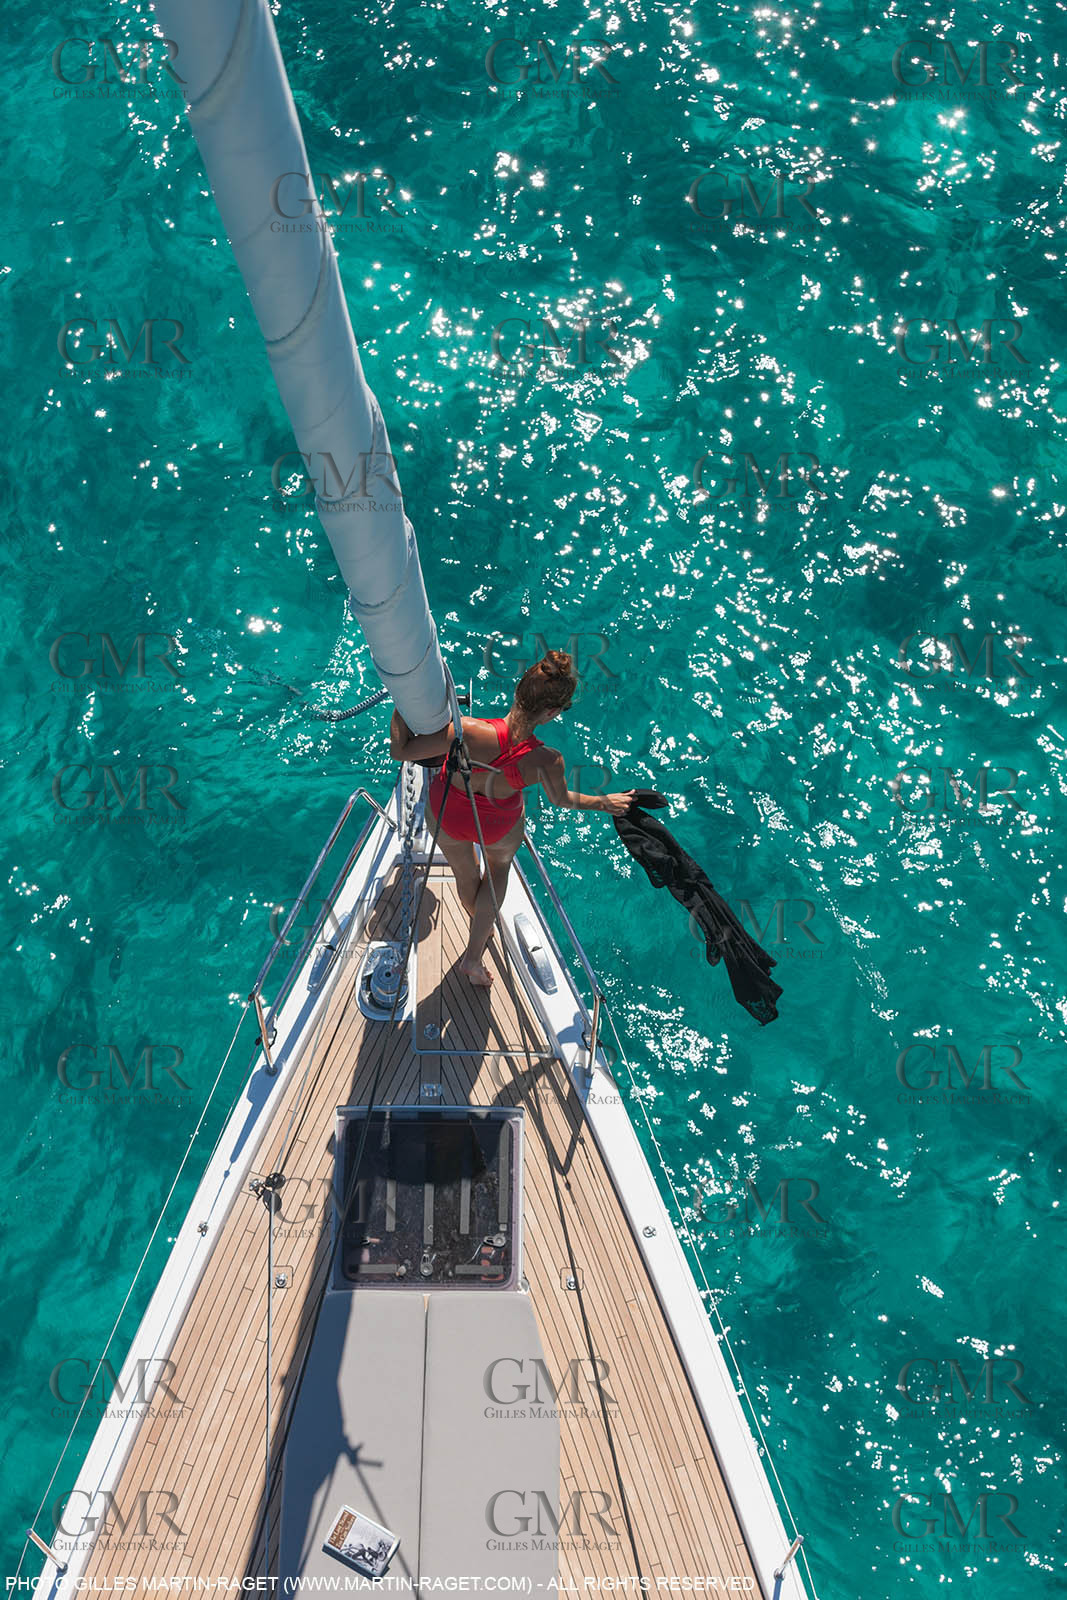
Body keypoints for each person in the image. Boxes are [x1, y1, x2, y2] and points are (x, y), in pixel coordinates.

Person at [389, 650, 634, 986]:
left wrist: (402, 703)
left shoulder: (466, 731)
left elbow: (401, 751)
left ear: (518, 691)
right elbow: (562, 801)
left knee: (465, 874)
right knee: (498, 871)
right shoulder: (548, 759)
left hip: (448, 814)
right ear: (550, 713)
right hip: (499, 826)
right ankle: (473, 958)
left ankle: (480, 921)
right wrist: (604, 802)